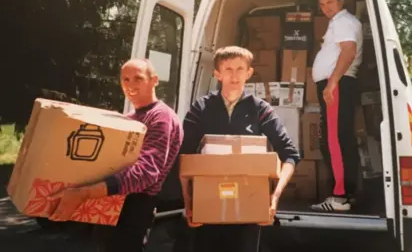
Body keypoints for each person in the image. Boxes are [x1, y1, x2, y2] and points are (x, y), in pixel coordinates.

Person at [49, 58, 184, 252]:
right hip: (111, 202)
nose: (130, 85)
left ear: (154, 80)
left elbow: (146, 172)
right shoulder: (129, 118)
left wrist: (85, 193)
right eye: (125, 79)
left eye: (138, 78)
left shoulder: (161, 117)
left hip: (134, 208)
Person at [179, 46, 301, 252]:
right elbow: (184, 158)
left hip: (249, 206)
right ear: (217, 73)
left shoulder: (260, 109)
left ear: (249, 73)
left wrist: (274, 197)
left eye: (239, 69)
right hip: (207, 206)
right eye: (227, 69)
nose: (234, 76)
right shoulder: (201, 108)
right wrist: (189, 202)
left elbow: (289, 155)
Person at [309, 0, 363, 212]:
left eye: (330, 2)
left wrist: (332, 83)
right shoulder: (340, 22)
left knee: (334, 141)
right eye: (322, 5)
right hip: (337, 84)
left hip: (337, 84)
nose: (326, 8)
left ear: (341, 1)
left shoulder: (343, 21)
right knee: (340, 139)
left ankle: (339, 197)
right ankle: (347, 195)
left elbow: (348, 51)